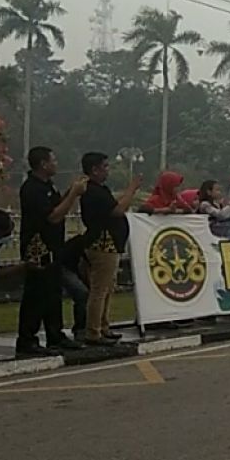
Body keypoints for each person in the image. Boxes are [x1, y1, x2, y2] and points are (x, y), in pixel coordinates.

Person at [16, 146, 86, 356]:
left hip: (54, 246)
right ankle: (27, 339)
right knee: (37, 293)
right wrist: (73, 195)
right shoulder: (32, 188)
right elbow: (53, 216)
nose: (56, 164)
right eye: (53, 160)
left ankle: (55, 335)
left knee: (53, 292)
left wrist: (70, 191)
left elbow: (58, 205)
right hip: (39, 247)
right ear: (43, 164)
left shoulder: (48, 186)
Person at [78, 152, 142, 346]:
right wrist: (131, 190)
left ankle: (103, 326)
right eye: (105, 167)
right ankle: (93, 332)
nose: (108, 170)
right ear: (94, 170)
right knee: (99, 289)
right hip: (102, 244)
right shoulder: (93, 191)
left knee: (107, 289)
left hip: (110, 244)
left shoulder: (100, 189)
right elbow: (117, 210)